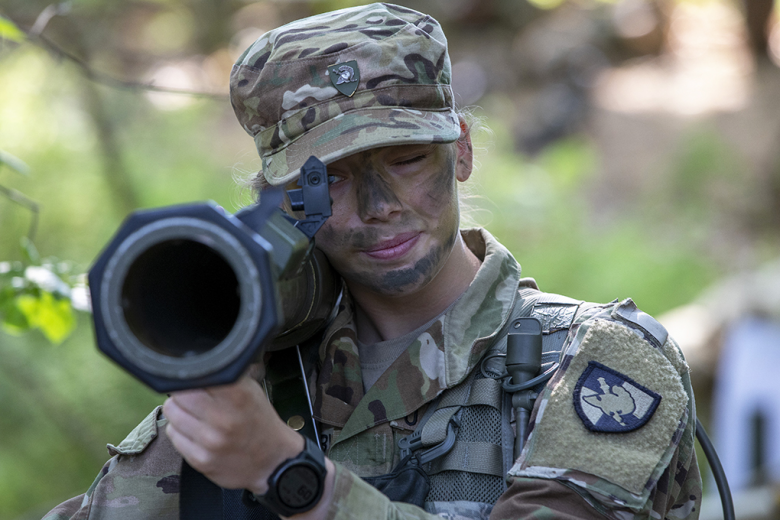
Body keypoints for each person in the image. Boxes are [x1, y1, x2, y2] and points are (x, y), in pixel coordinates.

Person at [43, 3, 702, 519]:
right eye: (329, 178)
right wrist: (218, 360)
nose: (379, 205)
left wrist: (290, 478)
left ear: (462, 152)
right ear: (276, 200)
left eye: (408, 160)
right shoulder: (272, 369)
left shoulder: (602, 361)